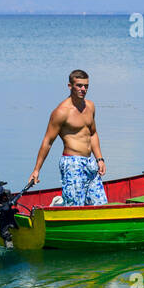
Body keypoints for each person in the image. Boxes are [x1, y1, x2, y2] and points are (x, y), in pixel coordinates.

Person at [29, 69, 107, 206]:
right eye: (79, 85)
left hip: (90, 162)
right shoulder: (61, 112)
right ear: (70, 86)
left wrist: (99, 158)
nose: (83, 89)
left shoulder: (90, 106)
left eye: (86, 86)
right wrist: (36, 170)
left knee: (100, 204)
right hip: (72, 164)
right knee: (75, 206)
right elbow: (47, 142)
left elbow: (93, 133)